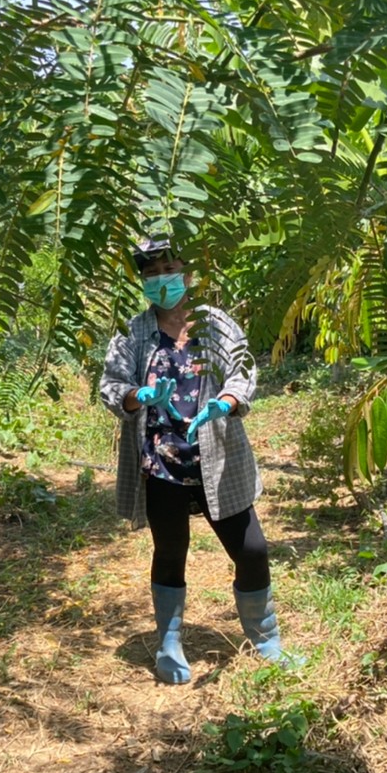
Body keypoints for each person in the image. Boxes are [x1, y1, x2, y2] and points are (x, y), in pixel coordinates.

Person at [100, 237, 292, 684]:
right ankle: (169, 643)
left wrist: (225, 401)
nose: (160, 280)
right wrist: (137, 395)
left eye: (168, 268)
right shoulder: (133, 333)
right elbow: (111, 385)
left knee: (252, 550)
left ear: (187, 272)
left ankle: (265, 639)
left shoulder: (217, 325)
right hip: (161, 464)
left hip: (218, 461)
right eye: (150, 273)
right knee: (170, 551)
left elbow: (244, 372)